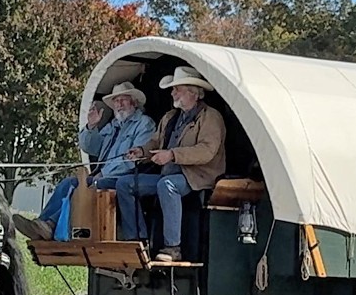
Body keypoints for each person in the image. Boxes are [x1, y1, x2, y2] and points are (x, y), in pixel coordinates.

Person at [13, 81, 156, 241]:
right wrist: (91, 126)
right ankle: (41, 223)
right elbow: (91, 147)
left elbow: (134, 160)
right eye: (116, 101)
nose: (119, 104)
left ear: (134, 102)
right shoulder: (113, 125)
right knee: (68, 183)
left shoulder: (144, 123)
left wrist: (103, 173)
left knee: (89, 187)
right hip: (101, 176)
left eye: (123, 100)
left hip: (124, 178)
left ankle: (51, 225)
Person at [116, 66, 226, 262]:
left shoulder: (211, 117)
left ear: (193, 92)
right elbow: (155, 142)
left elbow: (207, 151)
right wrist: (141, 151)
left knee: (167, 186)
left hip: (199, 176)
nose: (172, 92)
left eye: (177, 88)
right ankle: (138, 241)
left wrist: (173, 155)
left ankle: (173, 248)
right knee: (124, 184)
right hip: (169, 173)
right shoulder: (170, 117)